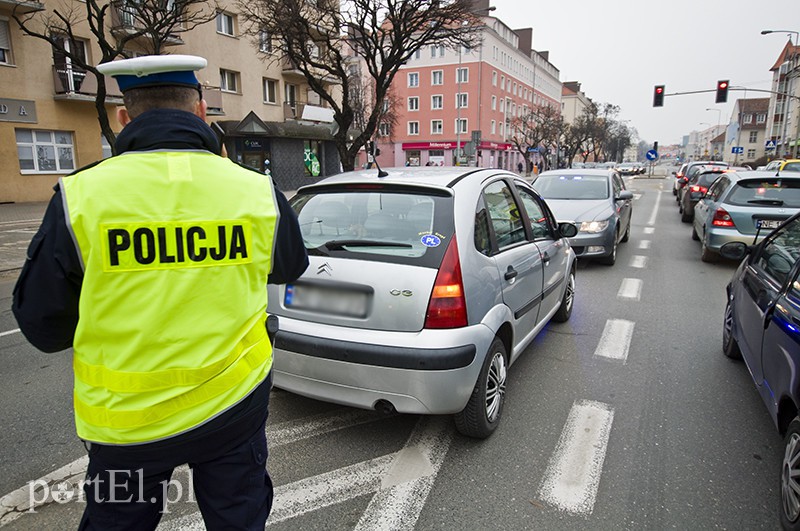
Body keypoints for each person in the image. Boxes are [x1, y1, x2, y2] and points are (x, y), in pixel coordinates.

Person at [12, 55, 308, 530]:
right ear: (201, 111)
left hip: (126, 426)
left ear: (124, 117)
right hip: (232, 408)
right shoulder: (254, 191)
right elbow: (290, 266)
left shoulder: (80, 196)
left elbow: (42, 327)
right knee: (240, 519)